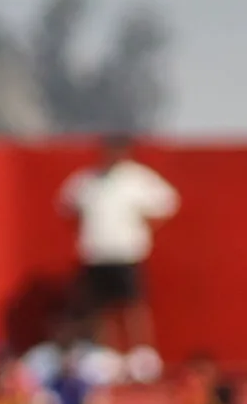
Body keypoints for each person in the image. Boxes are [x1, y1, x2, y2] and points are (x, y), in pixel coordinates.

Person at [61, 136, 180, 361]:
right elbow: (66, 206)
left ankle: (141, 354)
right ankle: (108, 354)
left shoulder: (137, 179)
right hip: (96, 253)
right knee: (99, 306)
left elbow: (167, 203)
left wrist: (146, 228)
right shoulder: (87, 180)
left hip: (127, 252)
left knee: (133, 304)